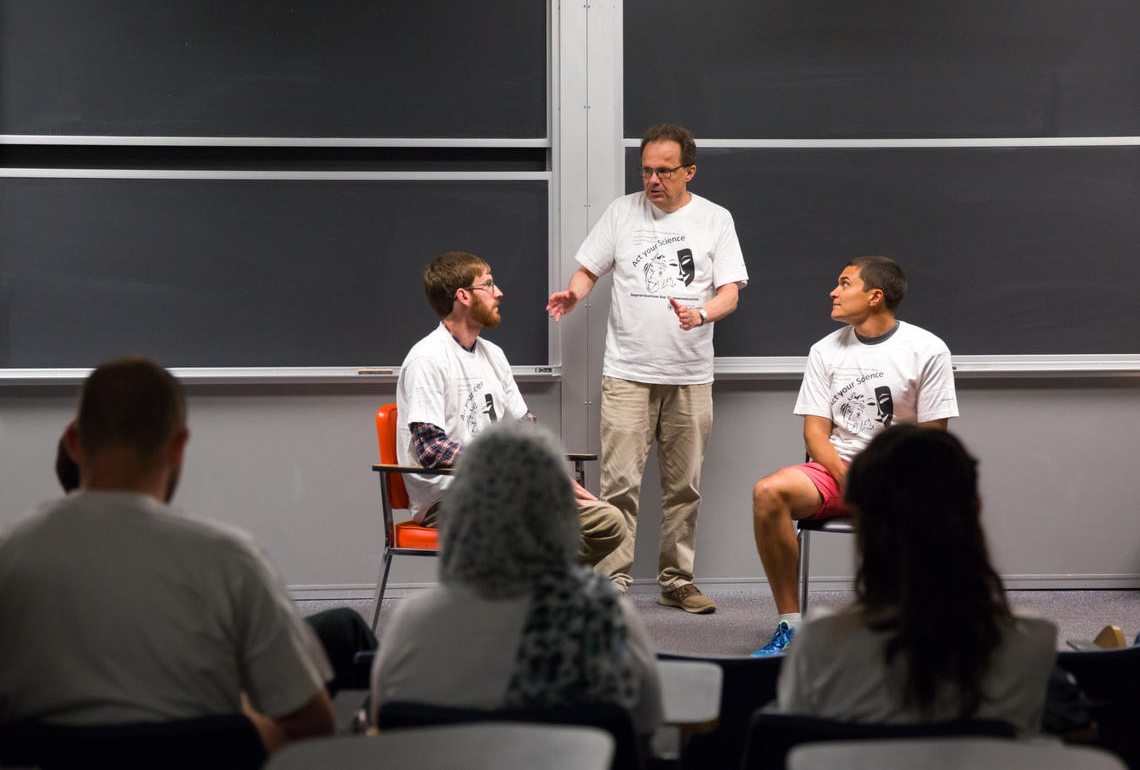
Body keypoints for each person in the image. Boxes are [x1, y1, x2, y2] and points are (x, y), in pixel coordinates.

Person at [0, 357, 335, 755]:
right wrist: (245, 718)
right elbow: (314, 726)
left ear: (73, 441)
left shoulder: (11, 552)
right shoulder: (232, 560)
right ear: (177, 447)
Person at [547, 123, 748, 614]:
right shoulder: (621, 212)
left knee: (685, 488)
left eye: (664, 171)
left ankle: (676, 581)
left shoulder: (715, 219)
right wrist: (576, 292)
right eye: (646, 170)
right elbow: (588, 269)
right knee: (618, 486)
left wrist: (701, 314)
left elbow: (730, 292)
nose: (653, 180)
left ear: (689, 171)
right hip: (627, 374)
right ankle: (610, 582)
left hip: (690, 376)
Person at [370, 421, 663, 736]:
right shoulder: (604, 615)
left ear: (461, 514)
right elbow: (647, 724)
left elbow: (384, 726)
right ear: (561, 516)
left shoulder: (414, 622)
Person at [776, 425, 1057, 734]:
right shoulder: (1034, 641)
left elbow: (794, 746)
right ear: (976, 508)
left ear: (861, 518)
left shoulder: (821, 642)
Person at [751, 256, 959, 654]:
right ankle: (791, 626)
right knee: (768, 491)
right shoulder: (824, 351)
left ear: (875, 296)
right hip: (837, 472)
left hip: (900, 475)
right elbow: (815, 434)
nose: (834, 291)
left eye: (845, 284)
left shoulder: (927, 349)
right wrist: (851, 480)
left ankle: (912, 623)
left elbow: (933, 441)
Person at [398, 251, 625, 568]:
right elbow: (431, 449)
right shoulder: (428, 358)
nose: (499, 292)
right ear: (463, 296)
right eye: (488, 284)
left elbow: (525, 425)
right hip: (450, 498)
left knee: (607, 521)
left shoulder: (493, 354)